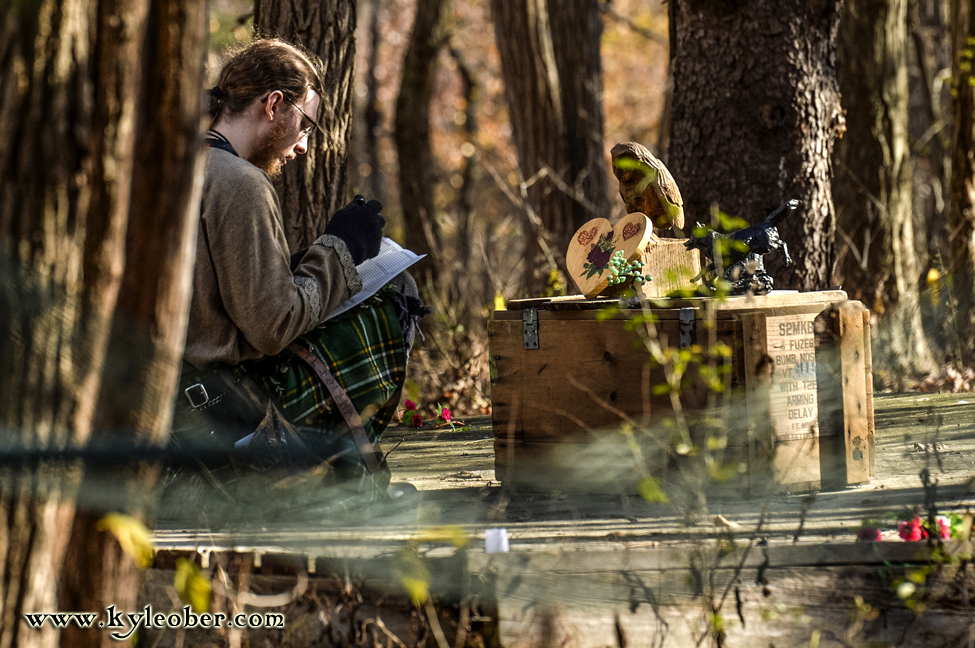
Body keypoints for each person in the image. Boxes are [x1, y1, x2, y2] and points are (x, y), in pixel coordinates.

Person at [169, 38, 425, 511]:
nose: (304, 145)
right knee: (397, 294)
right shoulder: (240, 183)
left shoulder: (175, 165)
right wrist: (339, 249)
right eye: (305, 125)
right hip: (221, 422)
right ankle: (337, 484)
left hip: (170, 410)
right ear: (273, 105)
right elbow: (272, 325)